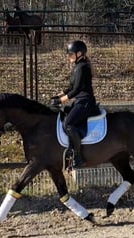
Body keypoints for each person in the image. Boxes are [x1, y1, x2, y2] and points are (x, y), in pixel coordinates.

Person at [51, 40, 98, 168]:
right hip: (80, 101)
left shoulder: (82, 67)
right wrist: (57, 95)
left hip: (86, 102)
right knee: (64, 114)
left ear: (79, 53)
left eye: (70, 54)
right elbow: (70, 87)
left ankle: (77, 156)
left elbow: (76, 90)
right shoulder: (77, 66)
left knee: (68, 123)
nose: (69, 56)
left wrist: (61, 101)